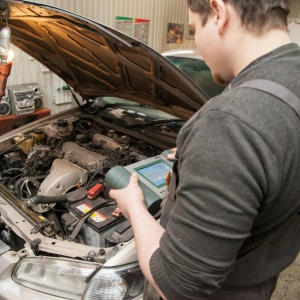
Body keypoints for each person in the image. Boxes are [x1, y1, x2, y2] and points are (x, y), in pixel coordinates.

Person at [109, 0, 300, 299]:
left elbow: (177, 283)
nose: (196, 40)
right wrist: (205, 159)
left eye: (195, 28)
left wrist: (133, 205)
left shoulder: (230, 123)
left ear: (218, 12)